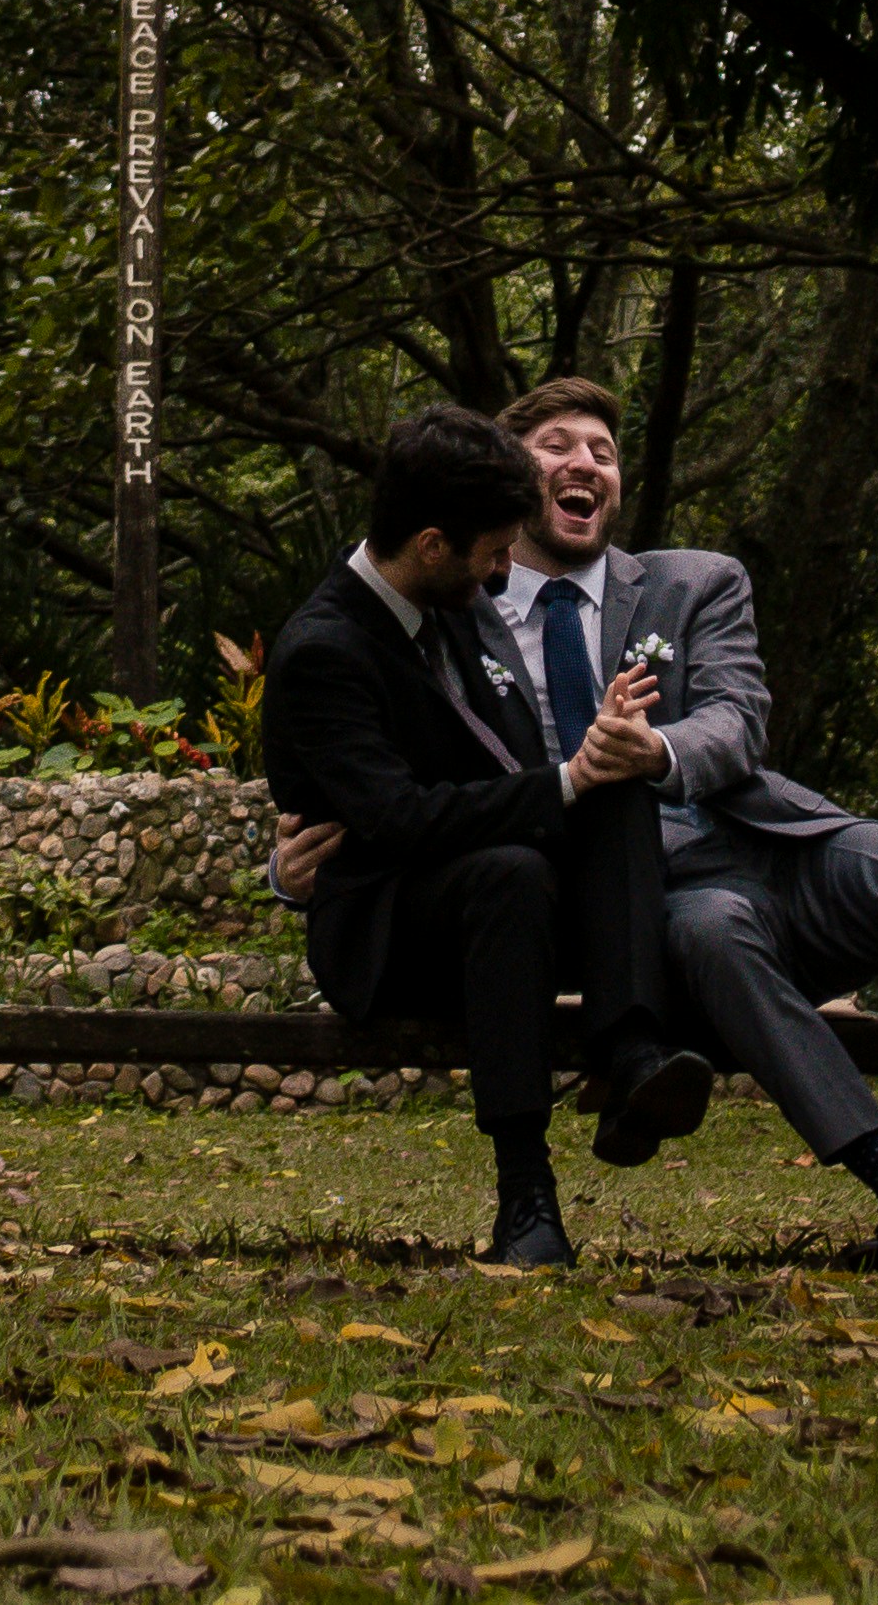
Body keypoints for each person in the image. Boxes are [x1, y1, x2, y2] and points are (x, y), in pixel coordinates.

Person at [276, 376, 878, 1271]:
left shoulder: (697, 580)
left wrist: (652, 751)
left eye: (605, 449)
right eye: (557, 444)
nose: (585, 462)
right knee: (715, 939)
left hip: (768, 834)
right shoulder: (447, 609)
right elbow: (359, 754)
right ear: (504, 482)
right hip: (645, 902)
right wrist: (291, 859)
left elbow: (739, 720)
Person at [259, 402, 723, 1268]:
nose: (508, 569)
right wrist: (559, 783)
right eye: (495, 551)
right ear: (431, 545)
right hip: (389, 923)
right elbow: (395, 821)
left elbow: (511, 765)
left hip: (504, 893)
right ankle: (526, 1194)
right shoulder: (325, 651)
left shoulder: (458, 603)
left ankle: (630, 1056)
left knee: (612, 779)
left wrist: (595, 749)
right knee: (509, 868)